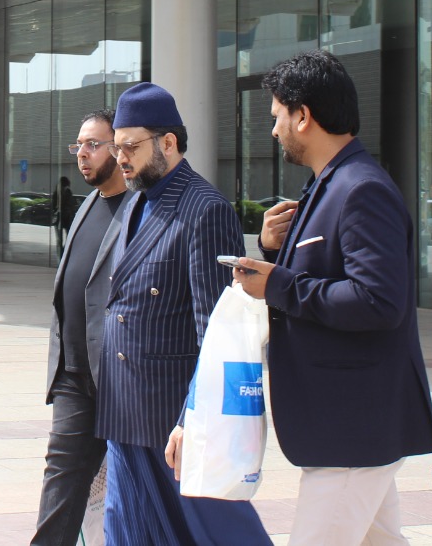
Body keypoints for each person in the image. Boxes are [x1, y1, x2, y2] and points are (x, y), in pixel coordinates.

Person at [228, 50, 432, 546]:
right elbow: (327, 275)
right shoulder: (330, 184)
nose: (274, 130)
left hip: (354, 425)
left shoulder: (362, 188)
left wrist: (275, 284)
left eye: (277, 116)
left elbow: (378, 300)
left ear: (303, 115)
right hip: (348, 424)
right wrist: (273, 250)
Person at [97, 83, 270, 546]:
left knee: (216, 534)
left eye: (131, 146)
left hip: (172, 422)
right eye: (117, 148)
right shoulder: (135, 203)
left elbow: (217, 334)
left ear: (168, 142)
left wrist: (188, 421)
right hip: (124, 411)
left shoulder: (204, 210)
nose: (122, 159)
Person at [34, 111, 129, 545]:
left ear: (119, 146)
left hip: (119, 374)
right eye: (78, 146)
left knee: (140, 484)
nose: (82, 155)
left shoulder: (140, 209)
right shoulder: (87, 204)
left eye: (92, 144)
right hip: (75, 372)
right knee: (62, 472)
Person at [54, 176, 80, 252]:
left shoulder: (57, 192)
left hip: (60, 218)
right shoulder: (67, 191)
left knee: (60, 239)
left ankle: (61, 253)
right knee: (69, 237)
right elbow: (70, 204)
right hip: (67, 217)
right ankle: (65, 253)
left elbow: (54, 205)